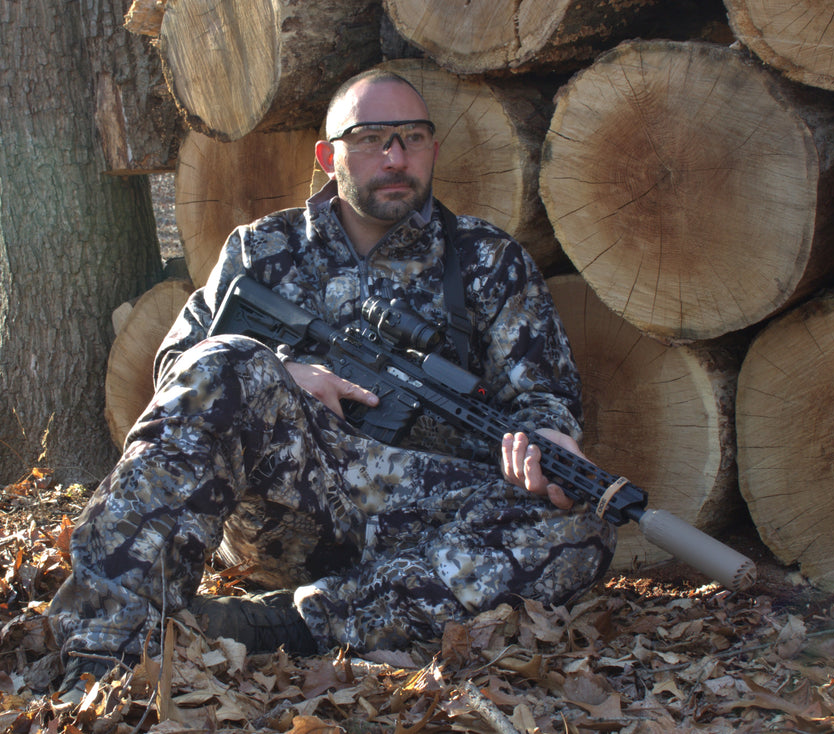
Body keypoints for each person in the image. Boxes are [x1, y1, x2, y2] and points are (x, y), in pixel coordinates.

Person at [48, 69, 615, 701]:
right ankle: (103, 641)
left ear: (432, 149)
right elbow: (178, 371)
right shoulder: (263, 249)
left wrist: (545, 443)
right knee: (230, 358)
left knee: (586, 530)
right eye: (372, 138)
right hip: (286, 508)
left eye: (413, 137)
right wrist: (282, 377)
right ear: (329, 156)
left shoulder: (487, 260)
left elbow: (544, 396)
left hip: (423, 516)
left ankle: (284, 623)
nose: (395, 157)